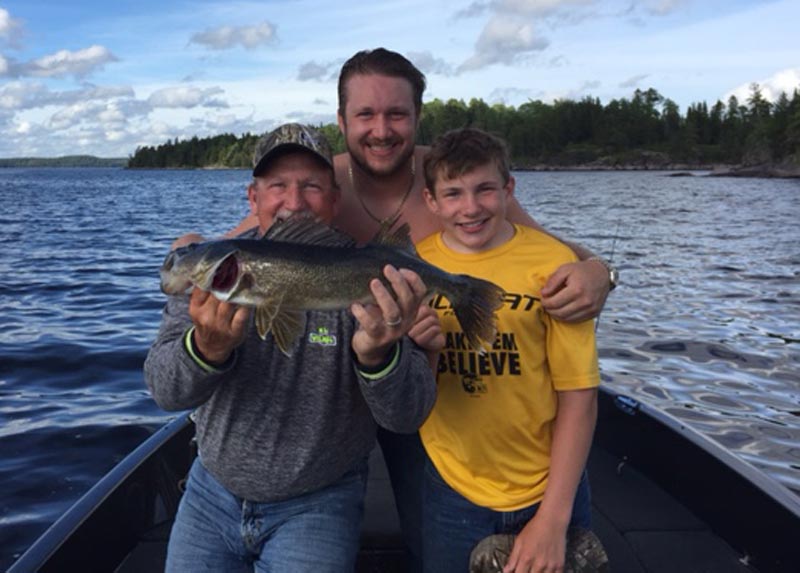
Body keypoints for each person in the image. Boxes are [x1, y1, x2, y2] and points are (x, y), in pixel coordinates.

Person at [225, 48, 617, 568]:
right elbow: (250, 250)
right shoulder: (322, 183)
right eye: (365, 114)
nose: (381, 130)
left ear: (417, 117)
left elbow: (547, 250)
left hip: (426, 386)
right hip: (345, 391)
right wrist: (187, 247)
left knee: (428, 535)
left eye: (397, 114)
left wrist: (601, 273)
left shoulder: (452, 177)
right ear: (342, 120)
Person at [143, 123, 437, 573]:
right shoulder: (213, 277)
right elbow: (165, 391)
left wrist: (378, 357)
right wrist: (206, 349)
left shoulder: (374, 276)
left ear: (335, 199)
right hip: (211, 493)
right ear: (253, 198)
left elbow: (407, 415)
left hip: (320, 502)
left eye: (312, 186)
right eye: (278, 185)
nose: (295, 202)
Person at [414, 127, 600, 573]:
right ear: (431, 201)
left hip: (549, 487)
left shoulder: (553, 262)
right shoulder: (413, 266)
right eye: (453, 193)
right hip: (452, 485)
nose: (471, 207)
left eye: (485, 189)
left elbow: (579, 395)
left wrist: (553, 520)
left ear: (508, 189)